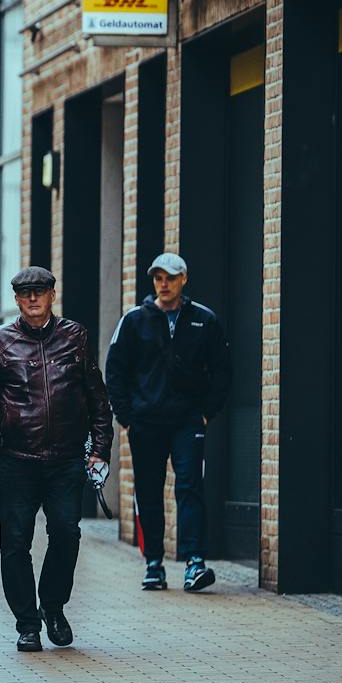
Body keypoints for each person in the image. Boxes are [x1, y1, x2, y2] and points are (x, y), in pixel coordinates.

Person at [0, 266, 112, 652]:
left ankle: (53, 606)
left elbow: (96, 396)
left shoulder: (75, 337)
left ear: (52, 295)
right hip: (17, 460)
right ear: (16, 299)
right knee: (15, 542)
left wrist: (100, 447)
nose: (33, 298)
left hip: (65, 459)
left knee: (66, 533)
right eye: (25, 293)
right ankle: (27, 624)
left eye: (40, 291)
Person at [105, 252, 230, 593]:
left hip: (188, 420)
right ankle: (153, 563)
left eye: (170, 277)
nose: (163, 283)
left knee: (190, 486)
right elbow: (114, 370)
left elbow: (221, 370)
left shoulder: (203, 319)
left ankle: (194, 563)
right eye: (158, 277)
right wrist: (126, 417)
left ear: (183, 280)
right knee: (148, 491)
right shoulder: (134, 320)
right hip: (145, 422)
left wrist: (206, 411)